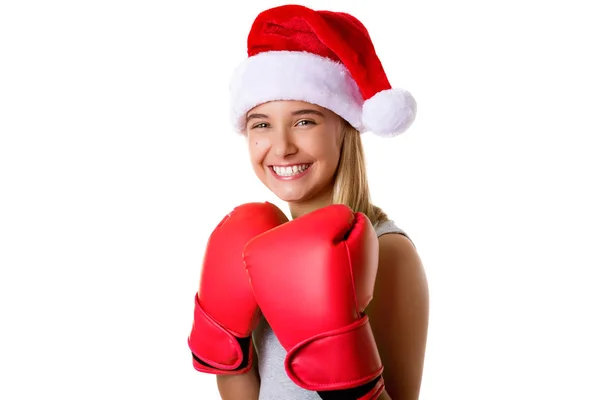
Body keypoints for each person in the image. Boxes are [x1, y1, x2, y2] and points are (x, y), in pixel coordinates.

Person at [188, 4, 429, 400]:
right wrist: (229, 352)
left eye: (305, 121)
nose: (281, 147)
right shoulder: (254, 246)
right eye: (261, 124)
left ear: (344, 128)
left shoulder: (388, 252)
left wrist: (343, 367)